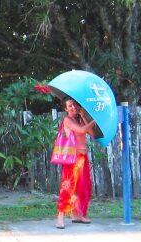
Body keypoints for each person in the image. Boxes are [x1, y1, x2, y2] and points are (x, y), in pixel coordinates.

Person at [56, 97, 96, 229]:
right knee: (68, 186)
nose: (73, 107)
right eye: (70, 106)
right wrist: (96, 120)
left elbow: (91, 132)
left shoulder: (78, 119)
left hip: (83, 157)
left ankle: (77, 215)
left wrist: (84, 116)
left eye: (74, 104)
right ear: (65, 109)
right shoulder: (67, 119)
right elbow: (82, 130)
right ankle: (60, 218)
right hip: (73, 158)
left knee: (82, 186)